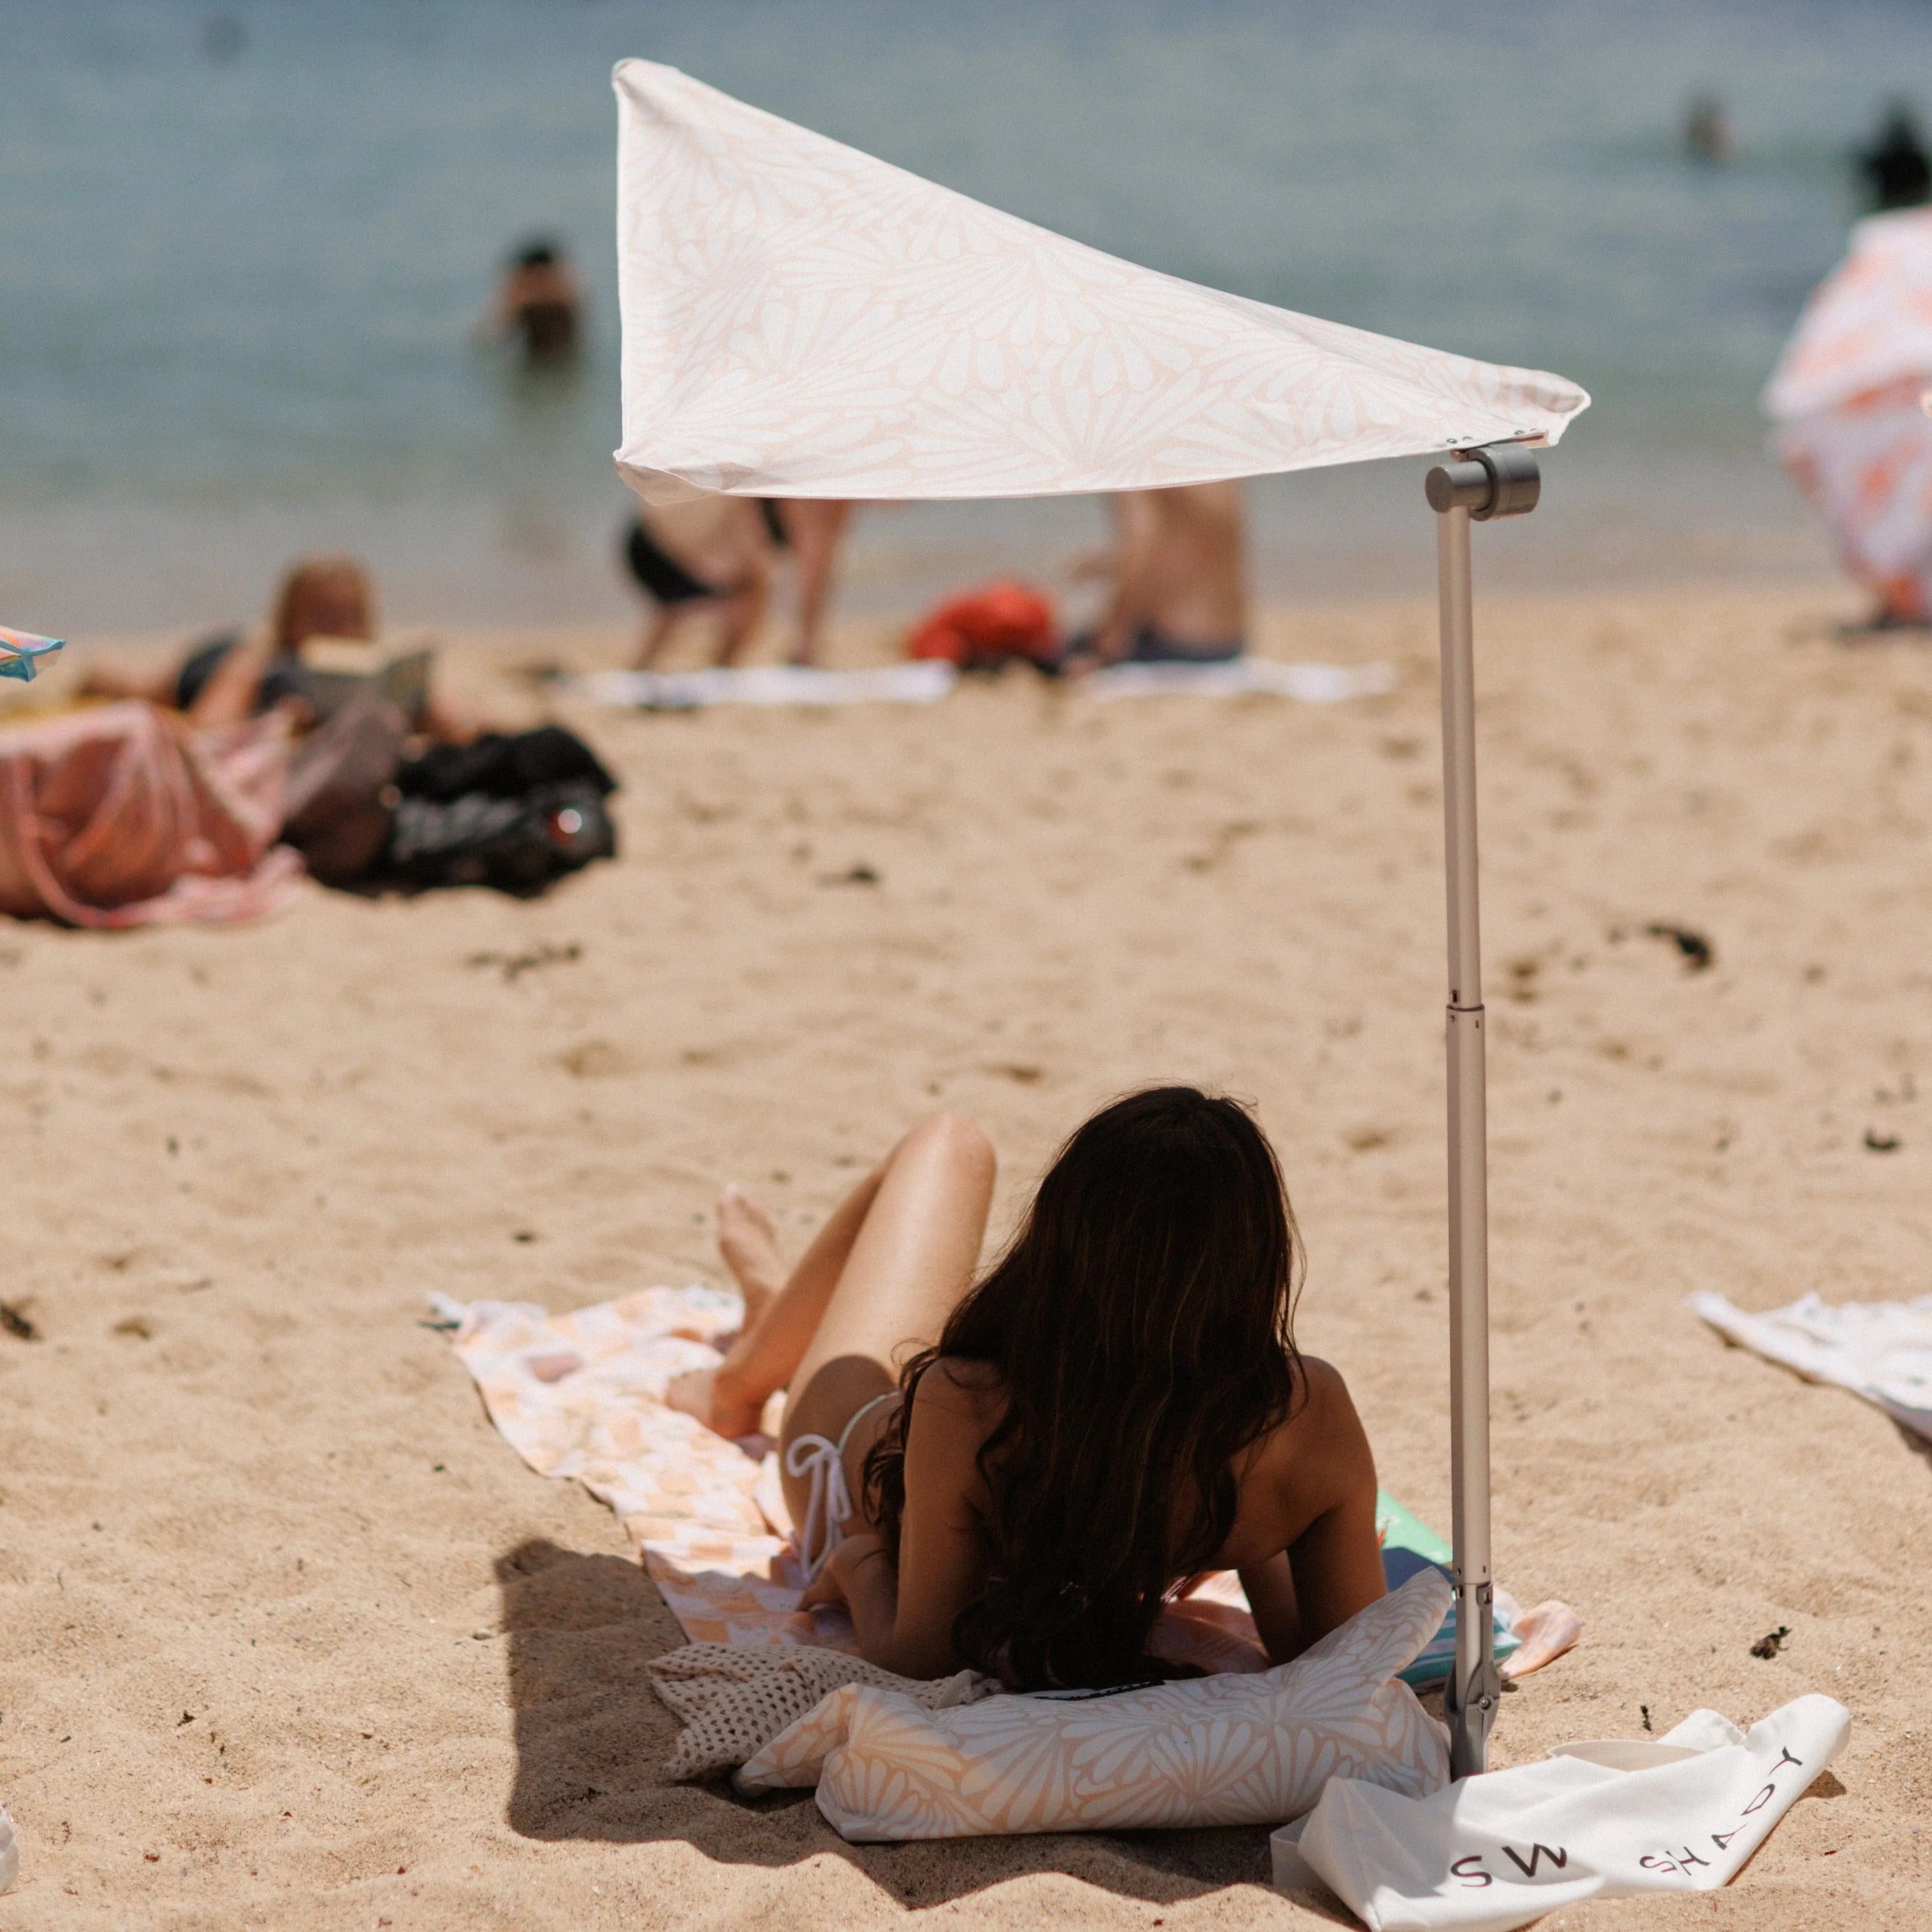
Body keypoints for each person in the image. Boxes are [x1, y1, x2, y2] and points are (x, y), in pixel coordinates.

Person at [667, 1090, 1385, 1688]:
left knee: (950, 1140)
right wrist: (1241, 1508)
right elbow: (1341, 1658)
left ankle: (736, 1383)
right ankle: (768, 1312)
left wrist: (856, 1563)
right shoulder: (1306, 1407)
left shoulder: (966, 1395)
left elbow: (922, 1656)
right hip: (956, 1431)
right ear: (1260, 1258)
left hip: (847, 1464)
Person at [621, 495, 854, 667]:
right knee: (751, 595)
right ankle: (718, 672)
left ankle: (642, 670)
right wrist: (807, 645)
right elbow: (814, 571)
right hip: (682, 553)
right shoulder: (819, 500)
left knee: (681, 606)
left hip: (653, 534)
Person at [1062, 483, 1248, 671]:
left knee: (1056, 652)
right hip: (1228, 641)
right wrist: (1104, 564)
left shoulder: (1139, 467)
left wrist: (1111, 636)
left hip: (1172, 643)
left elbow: (1144, 544)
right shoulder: (1215, 471)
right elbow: (1193, 544)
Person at [488, 239, 583, 368]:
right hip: (559, 355)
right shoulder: (564, 287)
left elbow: (502, 330)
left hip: (536, 355)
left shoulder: (522, 289)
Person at [1857, 103, 1932, 213]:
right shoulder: (1917, 160)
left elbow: (1863, 182)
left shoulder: (1884, 160)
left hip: (1893, 205)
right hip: (1909, 205)